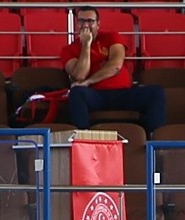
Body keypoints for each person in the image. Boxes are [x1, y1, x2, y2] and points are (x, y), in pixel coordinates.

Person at [62, 6, 166, 134]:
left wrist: (89, 81)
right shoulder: (68, 49)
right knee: (77, 93)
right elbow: (80, 75)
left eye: (90, 21)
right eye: (82, 21)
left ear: (98, 24)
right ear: (77, 23)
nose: (86, 25)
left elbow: (116, 66)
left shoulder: (111, 37)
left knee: (156, 92)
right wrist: (86, 45)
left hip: (123, 93)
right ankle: (82, 140)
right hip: (96, 95)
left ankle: (156, 143)